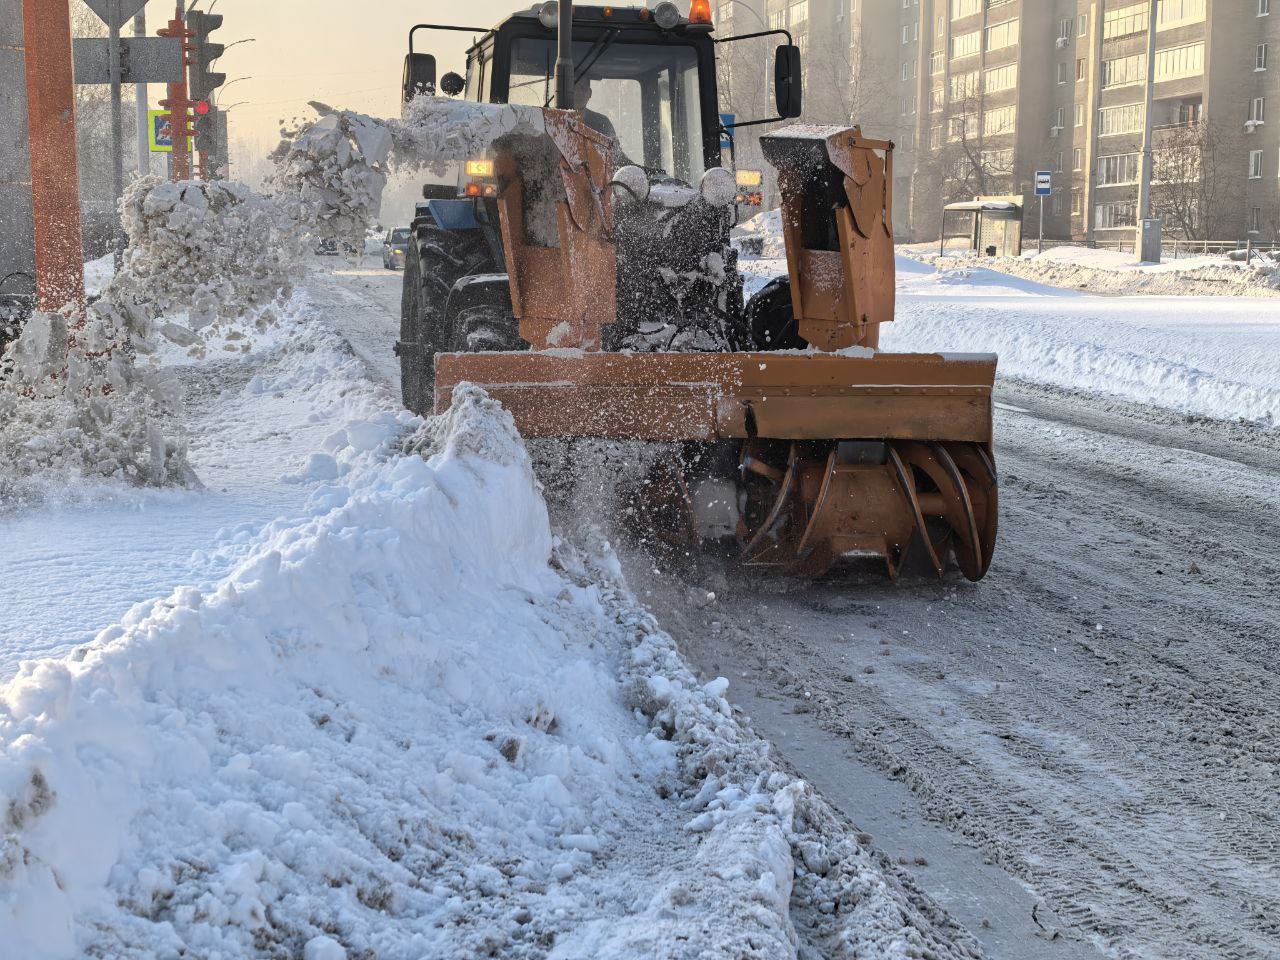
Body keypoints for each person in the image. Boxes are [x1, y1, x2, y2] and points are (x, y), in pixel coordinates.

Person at [573, 75, 633, 166]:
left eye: (582, 88)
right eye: (573, 87)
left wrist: (642, 171)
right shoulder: (550, 119)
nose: (578, 92)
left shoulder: (602, 123)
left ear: (589, 93)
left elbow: (616, 156)